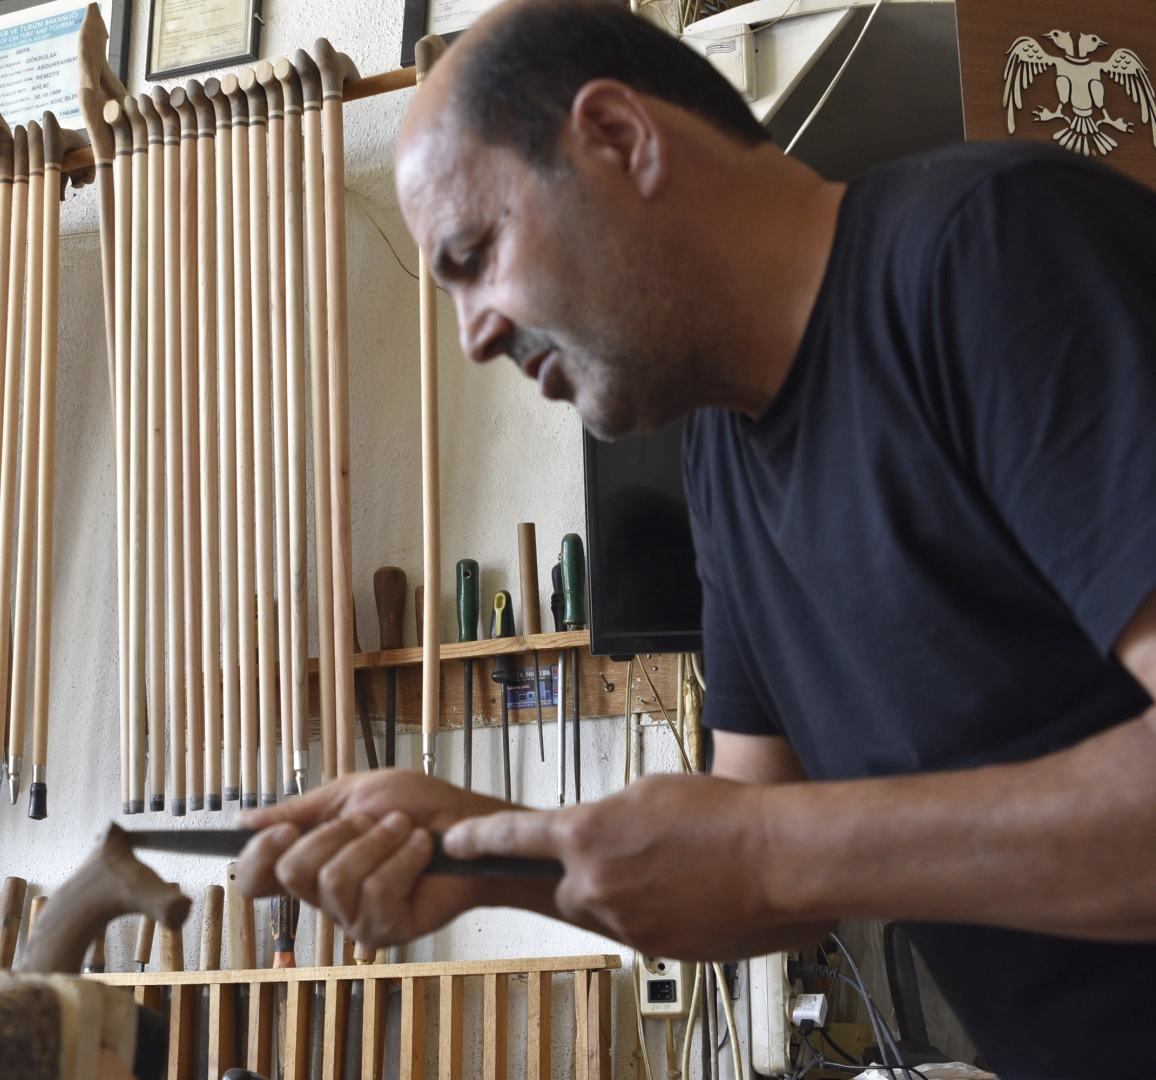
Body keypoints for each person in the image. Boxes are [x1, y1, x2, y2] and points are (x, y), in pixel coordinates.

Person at [232, 1, 1156, 1075]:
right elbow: (768, 875)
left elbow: (769, 853)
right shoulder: (718, 455)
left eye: (475, 255)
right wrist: (484, 851)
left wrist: (765, 851)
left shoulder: (992, 250)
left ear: (620, 138)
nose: (473, 333)